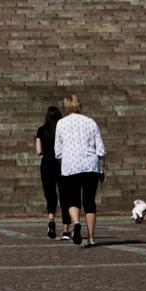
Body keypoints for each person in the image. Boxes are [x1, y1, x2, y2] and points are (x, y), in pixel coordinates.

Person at [52, 95, 106, 248]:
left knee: (72, 199)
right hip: (90, 165)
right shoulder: (90, 122)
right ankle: (90, 237)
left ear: (66, 107)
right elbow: (100, 149)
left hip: (71, 166)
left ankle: (76, 223)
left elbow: (58, 151)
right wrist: (102, 168)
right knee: (89, 201)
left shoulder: (61, 123)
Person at [34, 105, 65, 240]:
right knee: (64, 194)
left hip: (46, 163)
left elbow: (38, 151)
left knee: (50, 193)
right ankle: (66, 228)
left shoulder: (41, 130)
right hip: (61, 163)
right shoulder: (63, 130)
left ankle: (51, 220)